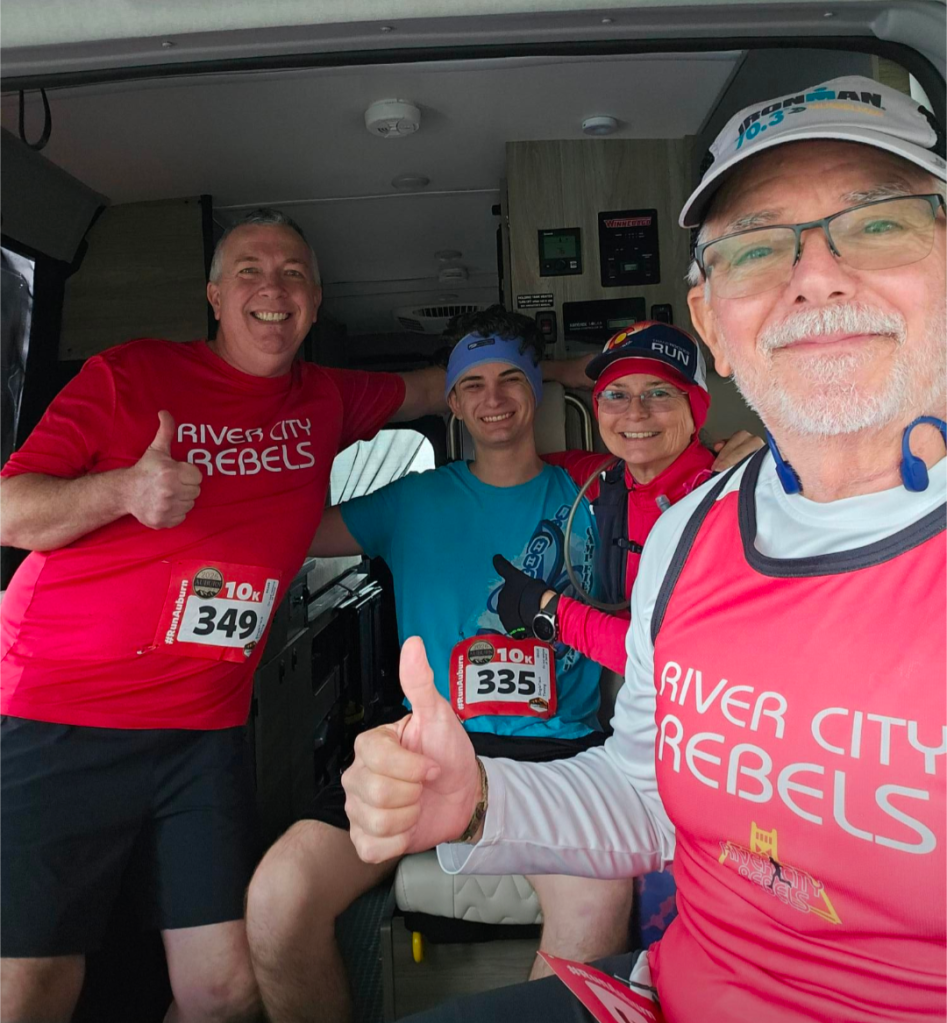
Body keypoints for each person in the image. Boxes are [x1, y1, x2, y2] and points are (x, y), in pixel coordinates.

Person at [341, 74, 947, 1023]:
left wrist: (548, 614)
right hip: (668, 989)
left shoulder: (601, 487)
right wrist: (477, 799)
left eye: (878, 225)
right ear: (715, 322)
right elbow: (644, 790)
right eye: (757, 248)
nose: (816, 277)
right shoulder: (687, 530)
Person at [0, 207, 447, 1023]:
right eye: (249, 271)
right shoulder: (130, 374)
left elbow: (434, 386)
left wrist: (568, 369)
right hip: (60, 713)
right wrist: (125, 490)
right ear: (214, 295)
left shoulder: (326, 397)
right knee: (32, 984)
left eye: (292, 273)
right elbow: (10, 510)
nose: (272, 288)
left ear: (314, 300)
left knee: (224, 989)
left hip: (201, 731)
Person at [245, 307, 637, 1023]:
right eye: (473, 384)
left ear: (537, 390)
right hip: (427, 747)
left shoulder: (596, 497)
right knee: (278, 895)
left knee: (597, 906)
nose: (494, 398)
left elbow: (670, 448)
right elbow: (284, 532)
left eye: (512, 379)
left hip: (562, 753)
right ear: (451, 401)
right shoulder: (411, 500)